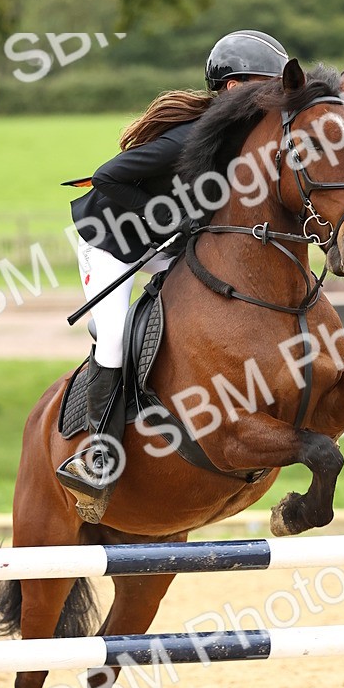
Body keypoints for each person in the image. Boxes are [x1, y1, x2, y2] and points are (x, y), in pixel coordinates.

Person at [57, 29, 290, 518]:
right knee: (117, 336)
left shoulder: (248, 140)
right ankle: (96, 456)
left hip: (169, 241)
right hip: (110, 240)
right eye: (266, 88)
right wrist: (162, 215)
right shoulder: (188, 138)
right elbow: (107, 176)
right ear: (233, 88)